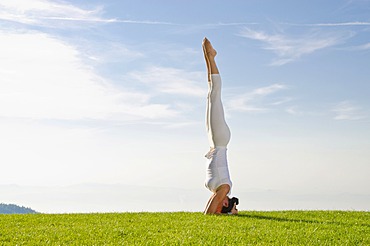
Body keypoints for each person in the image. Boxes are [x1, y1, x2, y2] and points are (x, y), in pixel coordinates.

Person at [202, 37, 238, 215]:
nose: (230, 200)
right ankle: (211, 57)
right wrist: (230, 213)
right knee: (215, 94)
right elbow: (209, 214)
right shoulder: (224, 187)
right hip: (220, 140)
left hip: (214, 142)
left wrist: (223, 213)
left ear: (223, 204)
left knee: (211, 95)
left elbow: (209, 212)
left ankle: (209, 58)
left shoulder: (217, 191)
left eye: (231, 204)